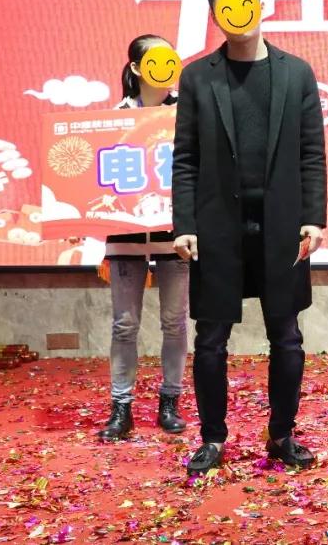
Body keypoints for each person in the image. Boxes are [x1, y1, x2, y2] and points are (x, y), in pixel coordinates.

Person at [172, 0, 327, 475]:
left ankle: (281, 434)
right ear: (215, 18)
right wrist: (184, 223)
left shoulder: (296, 73)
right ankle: (212, 439)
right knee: (210, 339)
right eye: (226, 9)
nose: (237, 15)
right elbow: (185, 157)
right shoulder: (198, 77)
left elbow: (311, 153)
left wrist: (313, 218)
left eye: (244, 4)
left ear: (261, 6)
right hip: (217, 226)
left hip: (282, 225)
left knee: (287, 336)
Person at [97, 34, 189, 442]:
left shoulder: (186, 112)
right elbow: (96, 180)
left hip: (175, 235)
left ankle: (170, 401)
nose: (164, 68)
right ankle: (122, 407)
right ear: (136, 68)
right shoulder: (113, 118)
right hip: (125, 234)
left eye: (170, 59)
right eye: (155, 60)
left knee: (175, 322)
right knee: (124, 324)